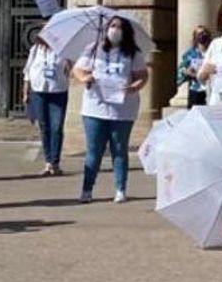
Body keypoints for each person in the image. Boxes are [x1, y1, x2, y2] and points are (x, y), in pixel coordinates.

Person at [74, 14, 148, 203]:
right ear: (106, 29)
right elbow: (78, 70)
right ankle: (87, 189)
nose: (115, 30)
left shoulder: (133, 53)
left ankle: (120, 189)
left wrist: (135, 86)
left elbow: (142, 76)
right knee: (94, 150)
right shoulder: (92, 49)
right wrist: (85, 78)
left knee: (119, 148)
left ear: (126, 32)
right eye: (112, 26)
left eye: (119, 27)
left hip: (122, 108)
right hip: (95, 107)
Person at [22, 35, 72, 177]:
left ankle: (55, 162)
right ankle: (48, 162)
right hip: (39, 91)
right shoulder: (35, 50)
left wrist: (70, 64)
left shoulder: (64, 50)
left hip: (58, 91)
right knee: (44, 126)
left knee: (56, 127)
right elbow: (27, 72)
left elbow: (72, 69)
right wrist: (25, 92)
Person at [175, 26, 211, 107]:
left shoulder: (213, 51)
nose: (203, 35)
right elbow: (180, 72)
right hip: (195, 90)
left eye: (204, 33)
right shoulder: (190, 54)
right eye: (199, 34)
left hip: (209, 89)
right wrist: (187, 72)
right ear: (195, 37)